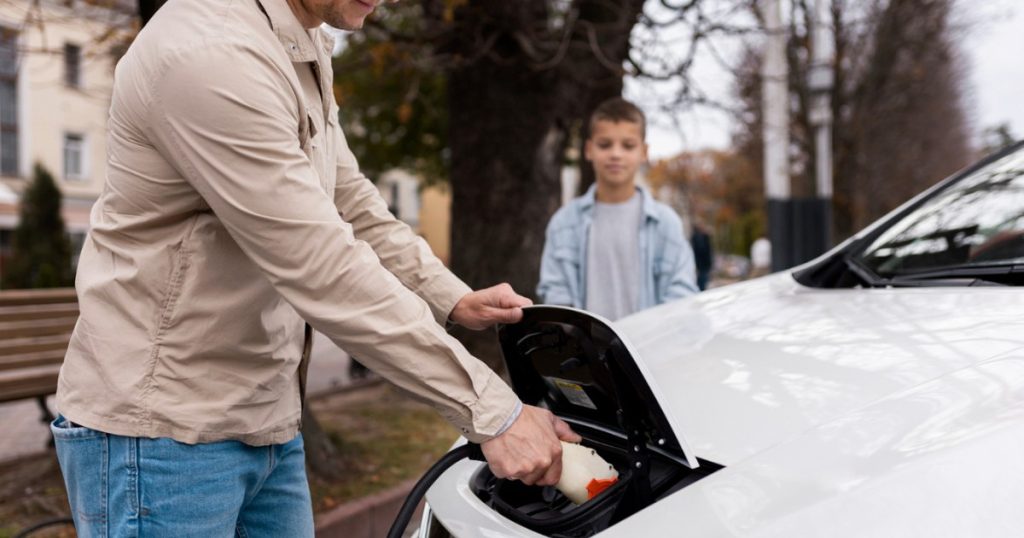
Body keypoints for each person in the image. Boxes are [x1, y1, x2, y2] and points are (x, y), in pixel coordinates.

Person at [51, 0, 579, 535]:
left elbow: (349, 202)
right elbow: (319, 263)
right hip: (165, 433)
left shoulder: (299, 41)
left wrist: (449, 296)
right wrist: (492, 411)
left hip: (264, 418)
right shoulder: (211, 53)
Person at [537, 98, 698, 320]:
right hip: (585, 352)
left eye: (628, 145)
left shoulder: (665, 223)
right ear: (589, 149)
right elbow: (556, 295)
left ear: (644, 152)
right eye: (605, 144)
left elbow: (681, 297)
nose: (616, 154)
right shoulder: (563, 223)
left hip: (650, 352)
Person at [690, 222, 714, 291]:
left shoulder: (698, 237)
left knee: (702, 281)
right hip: (703, 264)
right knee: (702, 282)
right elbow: (703, 251)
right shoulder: (699, 238)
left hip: (702, 264)